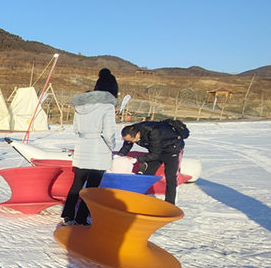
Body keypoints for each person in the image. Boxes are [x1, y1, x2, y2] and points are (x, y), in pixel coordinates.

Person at [60, 68, 119, 225]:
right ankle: (81, 218)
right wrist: (111, 146)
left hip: (82, 146)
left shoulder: (81, 106)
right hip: (98, 149)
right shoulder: (107, 107)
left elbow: (75, 129)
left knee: (77, 183)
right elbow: (109, 133)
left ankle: (68, 215)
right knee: (92, 188)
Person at [117, 119, 186, 205]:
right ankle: (139, 198)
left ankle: (169, 204)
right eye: (126, 140)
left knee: (170, 177)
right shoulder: (131, 132)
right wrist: (119, 156)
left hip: (172, 150)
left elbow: (155, 155)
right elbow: (127, 146)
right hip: (156, 150)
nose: (129, 142)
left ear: (137, 134)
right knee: (145, 175)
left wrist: (135, 159)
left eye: (130, 140)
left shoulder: (153, 132)